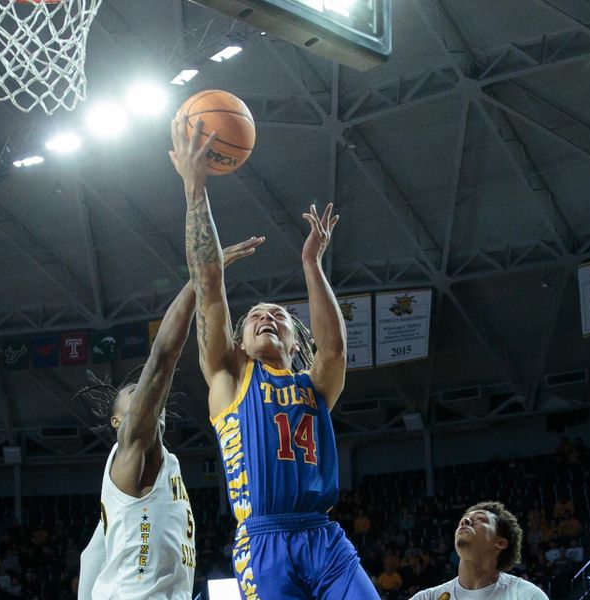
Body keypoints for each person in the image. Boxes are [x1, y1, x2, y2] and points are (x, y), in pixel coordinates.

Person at [169, 116, 378, 599]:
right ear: (238, 342)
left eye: (280, 315)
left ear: (296, 344)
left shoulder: (316, 385)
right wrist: (194, 190)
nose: (266, 317)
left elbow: (336, 348)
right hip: (263, 542)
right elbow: (209, 286)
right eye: (255, 315)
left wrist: (311, 263)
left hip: (324, 538)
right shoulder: (228, 379)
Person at [75, 235, 263, 599]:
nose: (145, 396)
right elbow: (162, 357)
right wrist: (201, 279)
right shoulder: (130, 452)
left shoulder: (163, 468)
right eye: (134, 394)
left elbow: (93, 557)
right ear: (118, 423)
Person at [410, 501, 548, 600]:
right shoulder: (427, 597)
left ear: (499, 543)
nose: (466, 522)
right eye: (464, 520)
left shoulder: (525, 595)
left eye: (481, 519)